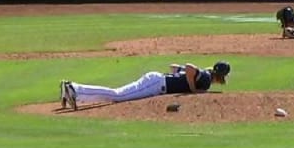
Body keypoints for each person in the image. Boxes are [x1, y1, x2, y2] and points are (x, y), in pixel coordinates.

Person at [60, 62, 231, 110]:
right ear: (221, 76)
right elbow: (189, 67)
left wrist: (185, 82)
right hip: (156, 84)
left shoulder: (206, 75)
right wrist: (193, 89)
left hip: (156, 80)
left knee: (117, 95)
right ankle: (74, 88)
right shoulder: (207, 78)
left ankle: (75, 92)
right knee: (118, 95)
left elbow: (173, 66)